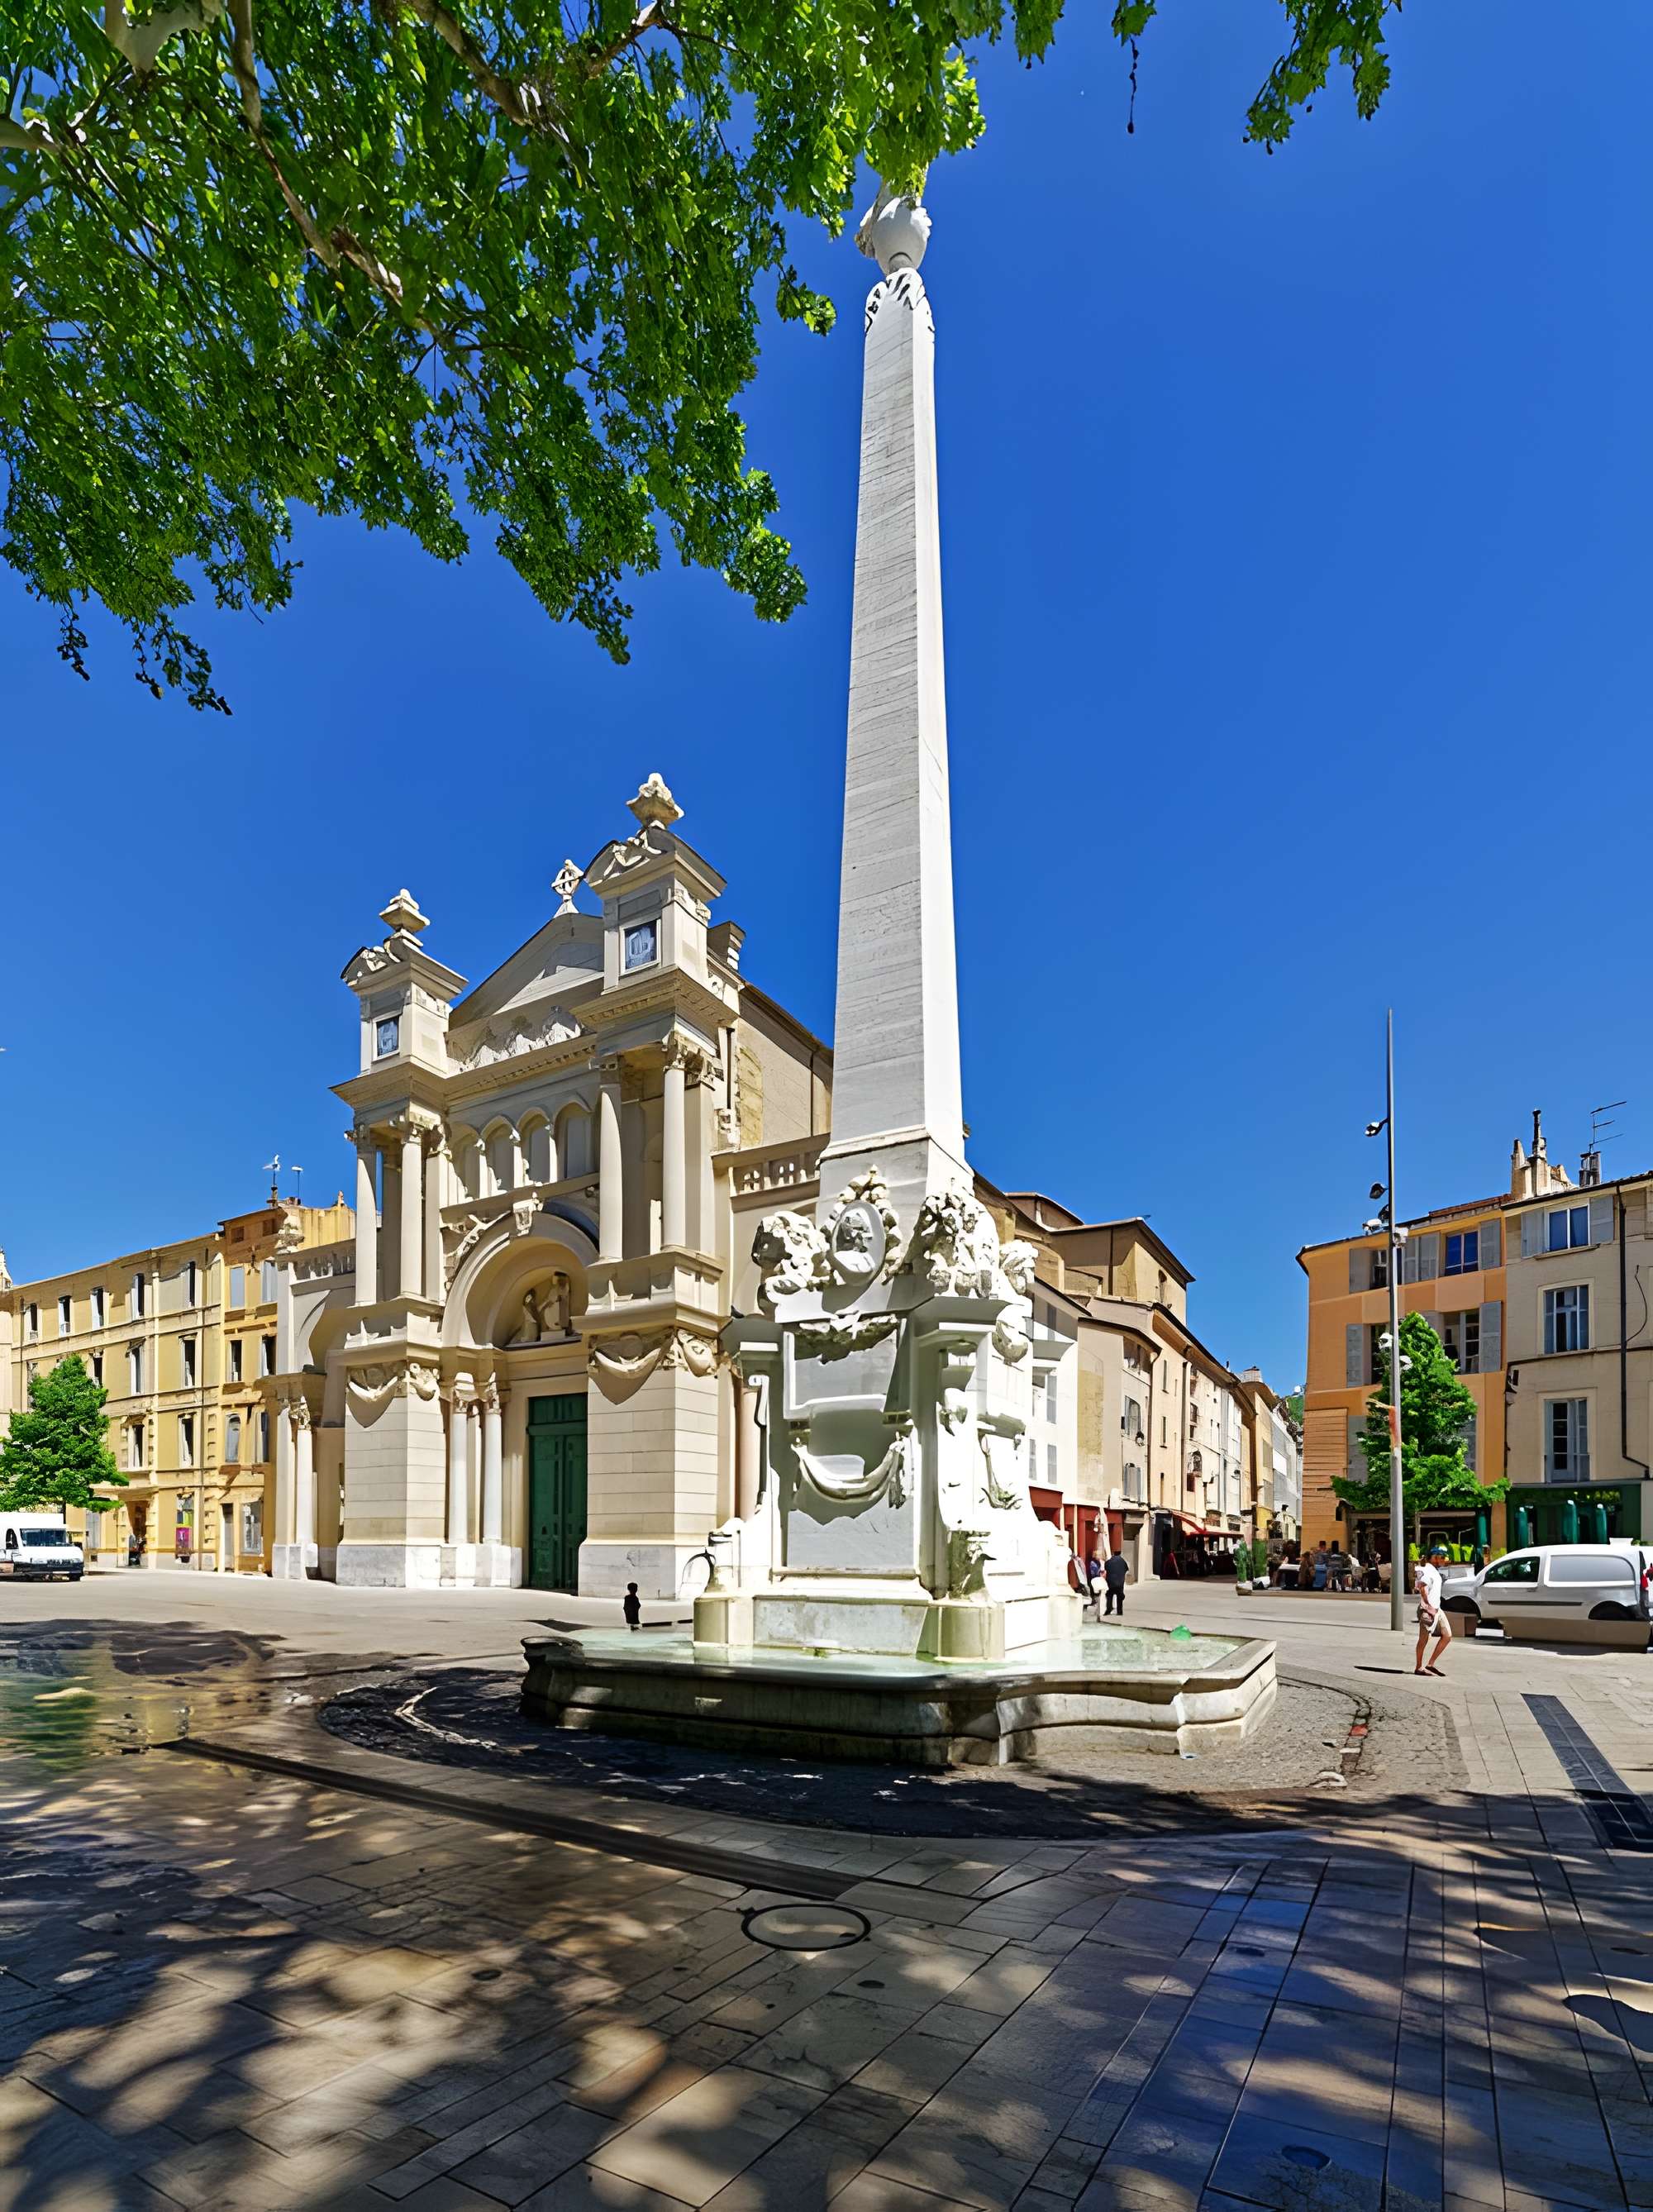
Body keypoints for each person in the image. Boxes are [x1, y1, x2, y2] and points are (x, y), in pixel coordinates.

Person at [1414, 1542, 1453, 1676]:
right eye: (1442, 1557)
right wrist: (1428, 1606)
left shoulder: (1434, 1571)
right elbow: (1423, 1588)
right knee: (1423, 1639)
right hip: (1428, 1610)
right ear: (1435, 1557)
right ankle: (1419, 1667)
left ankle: (1430, 1664)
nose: (1445, 1560)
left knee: (1447, 1635)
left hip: (1437, 1609)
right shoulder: (1427, 1570)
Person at [1103, 1547, 1130, 1618]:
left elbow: (1105, 1568)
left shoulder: (1108, 1562)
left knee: (1109, 1595)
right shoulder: (1123, 1561)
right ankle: (1119, 1611)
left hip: (1110, 1582)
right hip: (1120, 1583)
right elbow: (1126, 1569)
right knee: (1119, 1597)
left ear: (1113, 1553)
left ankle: (1108, 1609)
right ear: (1120, 1553)